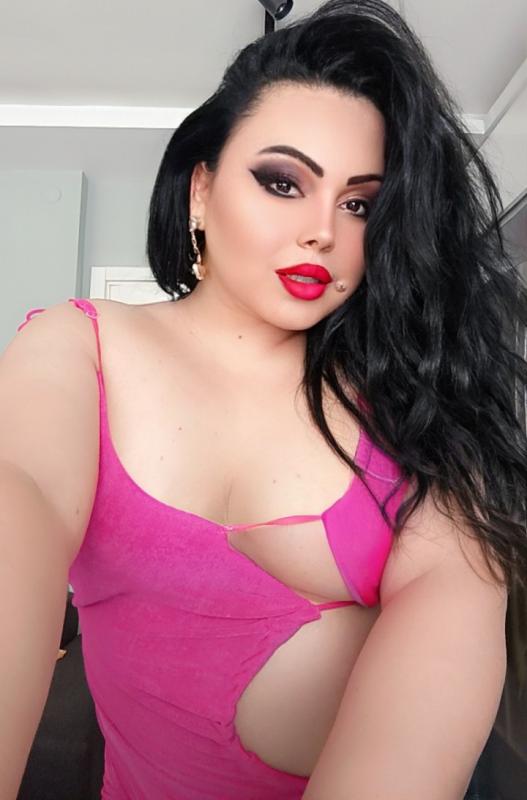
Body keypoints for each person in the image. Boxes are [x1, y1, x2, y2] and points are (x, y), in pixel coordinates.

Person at [2, 1, 526, 798]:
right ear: (200, 190)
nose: (322, 231)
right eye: (283, 182)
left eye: (359, 203)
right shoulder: (80, 346)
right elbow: (20, 491)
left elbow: (450, 611)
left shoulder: (419, 412)